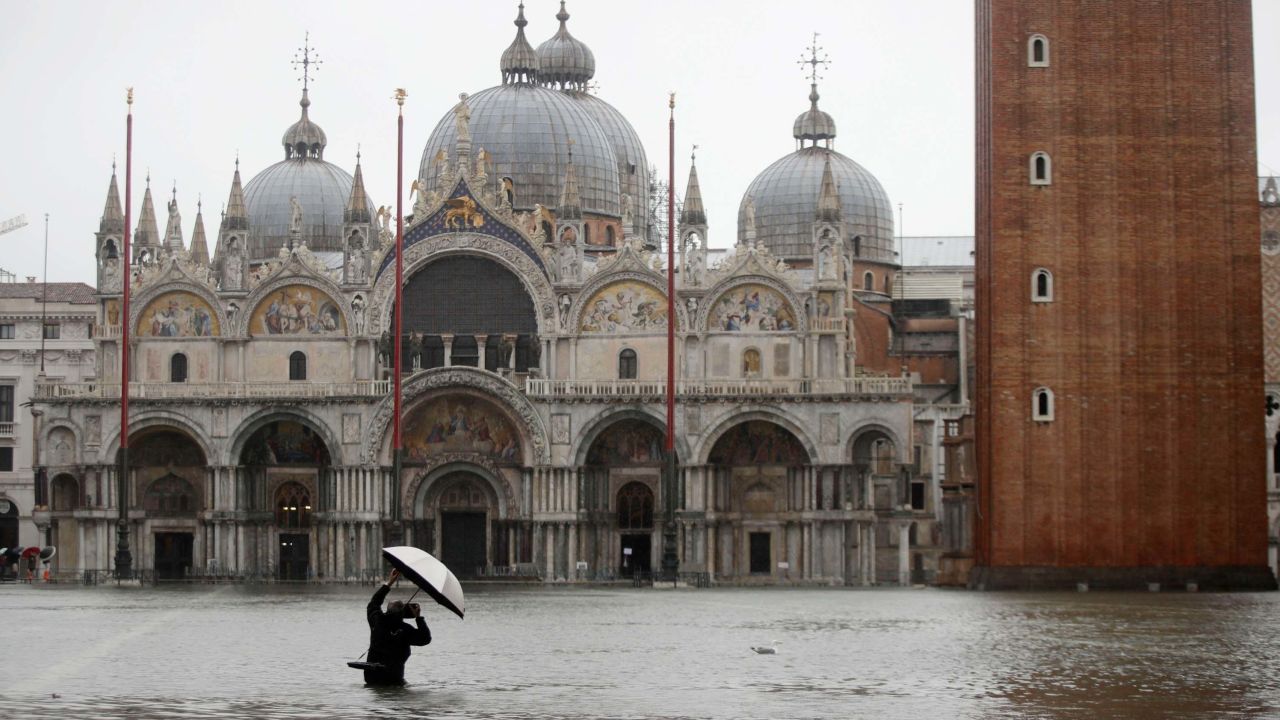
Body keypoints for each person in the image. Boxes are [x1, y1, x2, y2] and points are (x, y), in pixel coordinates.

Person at [364, 568, 431, 686]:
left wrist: (389, 583)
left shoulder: (377, 620)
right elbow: (425, 638)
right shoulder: (406, 630)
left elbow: (374, 603)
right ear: (403, 613)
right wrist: (418, 618)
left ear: (387, 610)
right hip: (393, 678)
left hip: (371, 677)